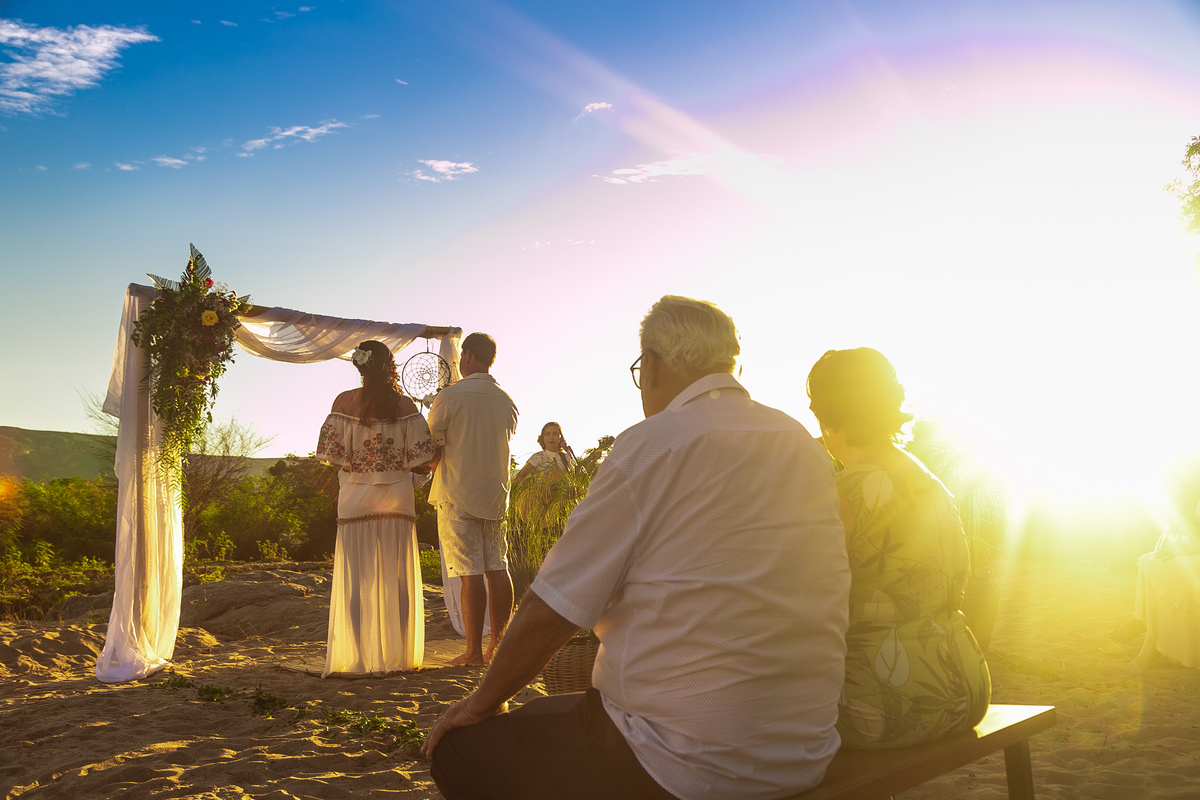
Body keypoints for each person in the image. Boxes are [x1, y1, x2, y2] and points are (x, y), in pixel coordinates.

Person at [422, 295, 851, 800]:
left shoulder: (653, 443)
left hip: (682, 757)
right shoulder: (799, 440)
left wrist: (477, 704)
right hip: (802, 750)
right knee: (550, 715)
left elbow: (552, 610)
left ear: (654, 364)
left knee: (460, 752)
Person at [806, 347, 991, 749]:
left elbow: (811, 603)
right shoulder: (929, 481)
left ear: (826, 415)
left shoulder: (847, 494)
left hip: (895, 701)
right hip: (968, 687)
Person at [314, 340, 435, 677]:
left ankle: (358, 659)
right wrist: (406, 478)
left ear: (360, 366)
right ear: (389, 365)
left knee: (356, 582)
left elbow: (330, 455)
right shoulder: (405, 406)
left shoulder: (344, 402)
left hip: (354, 498)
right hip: (397, 497)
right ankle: (401, 658)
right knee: (399, 581)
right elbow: (425, 459)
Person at [427, 332, 520, 666]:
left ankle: (472, 653)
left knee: (470, 573)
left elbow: (432, 449)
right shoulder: (506, 400)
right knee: (498, 568)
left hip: (458, 492)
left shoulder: (449, 396)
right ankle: (498, 646)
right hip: (496, 494)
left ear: (465, 356)